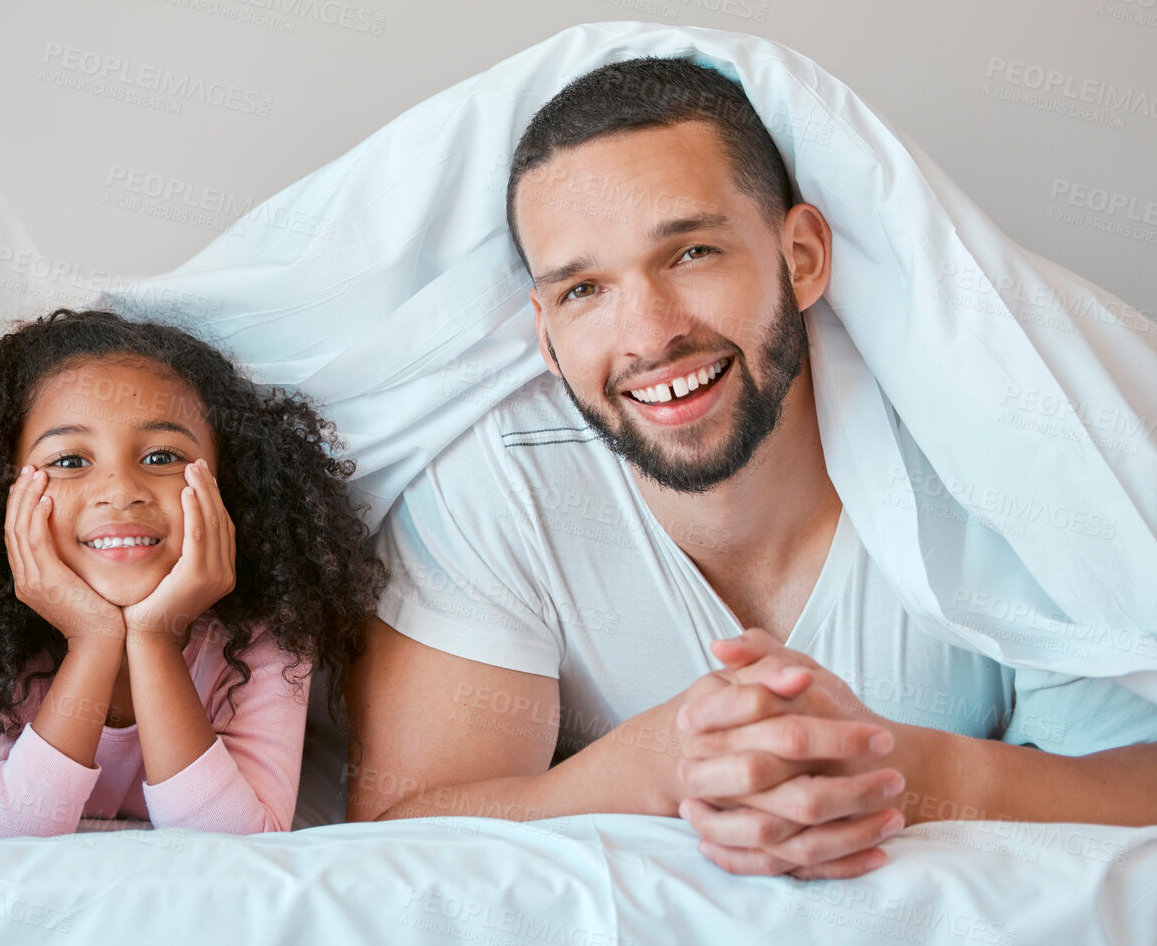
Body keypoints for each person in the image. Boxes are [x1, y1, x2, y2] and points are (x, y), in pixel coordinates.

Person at [346, 56, 1157, 879]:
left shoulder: (991, 456)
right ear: (544, 332)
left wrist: (909, 774)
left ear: (800, 256)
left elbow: (1139, 779)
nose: (648, 334)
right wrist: (649, 769)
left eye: (691, 251)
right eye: (584, 289)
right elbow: (396, 830)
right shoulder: (500, 485)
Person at [0, 309, 386, 835]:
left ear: (230, 484)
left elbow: (239, 847)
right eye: (70, 461)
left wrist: (155, 640)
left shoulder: (266, 631)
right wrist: (93, 641)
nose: (121, 490)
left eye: (162, 455)